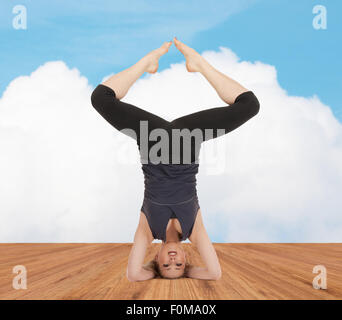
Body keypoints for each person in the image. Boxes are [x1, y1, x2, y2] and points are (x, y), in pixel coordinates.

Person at [91, 37, 260, 281]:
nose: (173, 261)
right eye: (179, 265)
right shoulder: (195, 230)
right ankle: (199, 64)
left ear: (156, 259)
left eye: (166, 266)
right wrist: (189, 273)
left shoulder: (147, 231)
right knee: (250, 105)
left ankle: (146, 63)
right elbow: (214, 273)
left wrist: (154, 275)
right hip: (187, 140)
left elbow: (133, 274)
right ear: (185, 257)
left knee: (100, 98)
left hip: (152, 141)